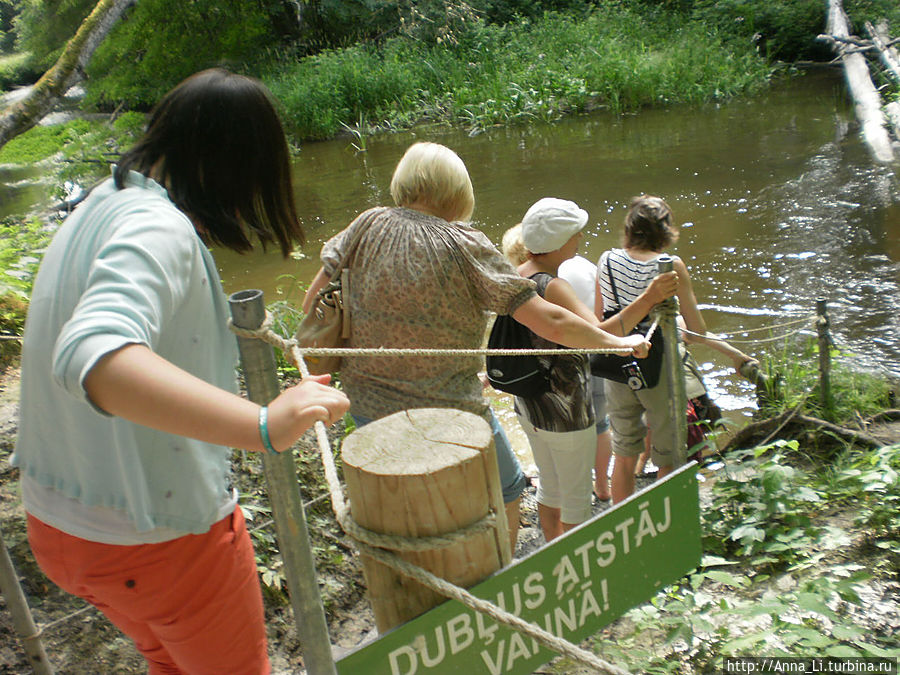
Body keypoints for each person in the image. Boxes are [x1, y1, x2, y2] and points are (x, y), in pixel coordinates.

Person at [12, 69, 350, 675]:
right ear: (239, 167)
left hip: (61, 527)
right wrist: (265, 423)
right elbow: (97, 357)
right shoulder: (158, 227)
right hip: (158, 538)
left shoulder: (102, 201)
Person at [302, 143, 652, 554]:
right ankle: (498, 573)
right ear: (456, 191)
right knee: (507, 487)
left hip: (366, 400)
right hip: (449, 407)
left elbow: (313, 307)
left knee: (407, 500)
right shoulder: (463, 243)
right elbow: (550, 319)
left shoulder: (366, 223)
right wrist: (617, 342)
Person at [501, 199, 678, 541]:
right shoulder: (554, 286)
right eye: (574, 233)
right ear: (559, 241)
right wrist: (649, 297)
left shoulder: (516, 275)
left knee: (550, 487)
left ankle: (552, 551)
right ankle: (580, 565)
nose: (581, 237)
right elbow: (602, 334)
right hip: (563, 410)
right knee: (576, 499)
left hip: (528, 404)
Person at [598, 194, 715, 503]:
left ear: (629, 228)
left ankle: (622, 522)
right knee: (668, 455)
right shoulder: (672, 266)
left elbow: (602, 319)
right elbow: (697, 331)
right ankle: (668, 521)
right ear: (666, 232)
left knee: (624, 455)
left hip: (617, 361)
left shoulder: (606, 260)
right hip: (659, 367)